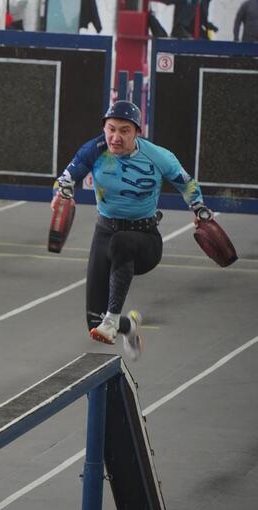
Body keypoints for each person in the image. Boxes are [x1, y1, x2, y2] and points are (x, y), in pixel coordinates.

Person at [53, 100, 208, 361]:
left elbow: (187, 184)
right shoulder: (94, 150)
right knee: (93, 321)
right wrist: (61, 194)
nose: (116, 137)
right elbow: (66, 179)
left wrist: (200, 210)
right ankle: (128, 327)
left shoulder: (158, 156)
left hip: (144, 241)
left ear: (137, 132)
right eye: (111, 129)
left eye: (124, 130)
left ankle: (112, 319)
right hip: (104, 234)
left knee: (121, 242)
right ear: (104, 129)